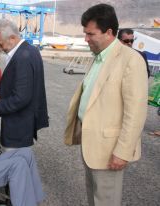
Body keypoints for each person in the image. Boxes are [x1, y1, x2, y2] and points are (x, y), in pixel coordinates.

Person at [63, 4, 148, 206]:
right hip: (91, 143)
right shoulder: (98, 57)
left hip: (111, 149)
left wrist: (123, 152)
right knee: (94, 197)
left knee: (106, 201)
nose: (86, 39)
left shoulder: (130, 60)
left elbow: (135, 113)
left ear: (109, 32)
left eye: (90, 34)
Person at [0, 19, 49, 150]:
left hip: (18, 125)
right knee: (22, 163)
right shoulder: (31, 50)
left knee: (16, 165)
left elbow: (21, 97)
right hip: (23, 122)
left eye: (0, 44)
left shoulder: (22, 57)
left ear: (13, 38)